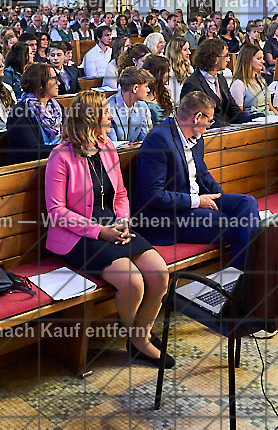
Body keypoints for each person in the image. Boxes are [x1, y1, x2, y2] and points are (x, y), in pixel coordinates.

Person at [44, 91, 171, 367]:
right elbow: (56, 212)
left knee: (160, 273)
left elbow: (121, 194)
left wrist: (122, 221)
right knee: (133, 282)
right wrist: (100, 231)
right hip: (78, 236)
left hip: (113, 226)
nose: (111, 116)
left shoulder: (108, 146)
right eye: (105, 111)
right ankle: (139, 340)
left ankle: (141, 334)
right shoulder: (61, 156)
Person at [134, 91, 260, 269]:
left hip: (196, 201)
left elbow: (203, 174)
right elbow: (154, 195)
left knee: (247, 202)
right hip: (170, 216)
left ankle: (250, 273)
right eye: (209, 120)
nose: (209, 125)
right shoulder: (159, 140)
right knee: (238, 226)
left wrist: (222, 199)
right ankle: (250, 275)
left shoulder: (196, 138)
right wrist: (198, 201)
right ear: (198, 117)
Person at [6, 62, 65, 165]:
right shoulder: (19, 113)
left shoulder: (57, 107)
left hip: (57, 161)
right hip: (31, 168)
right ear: (40, 84)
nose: (58, 83)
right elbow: (30, 151)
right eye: (53, 79)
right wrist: (65, 148)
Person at [181, 38, 247, 128]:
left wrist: (256, 118)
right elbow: (201, 120)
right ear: (215, 59)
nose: (228, 59)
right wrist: (228, 127)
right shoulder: (192, 84)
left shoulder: (221, 79)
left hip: (223, 131)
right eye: (226, 55)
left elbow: (234, 112)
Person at [108, 67, 155, 144]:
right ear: (135, 88)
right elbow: (112, 144)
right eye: (146, 86)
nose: (148, 90)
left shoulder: (143, 107)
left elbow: (146, 138)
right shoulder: (108, 108)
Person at [229, 44, 276, 117]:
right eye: (259, 58)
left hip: (270, 118)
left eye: (262, 58)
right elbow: (238, 115)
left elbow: (270, 107)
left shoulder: (261, 80)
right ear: (248, 60)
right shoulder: (238, 84)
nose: (263, 61)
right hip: (253, 120)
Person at [142, 55, 174, 124]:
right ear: (158, 73)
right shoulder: (142, 99)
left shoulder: (163, 93)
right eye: (167, 71)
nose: (170, 75)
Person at [164, 37, 192, 106]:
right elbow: (171, 98)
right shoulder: (169, 71)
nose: (189, 52)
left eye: (188, 49)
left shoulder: (189, 68)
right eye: (185, 50)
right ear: (176, 52)